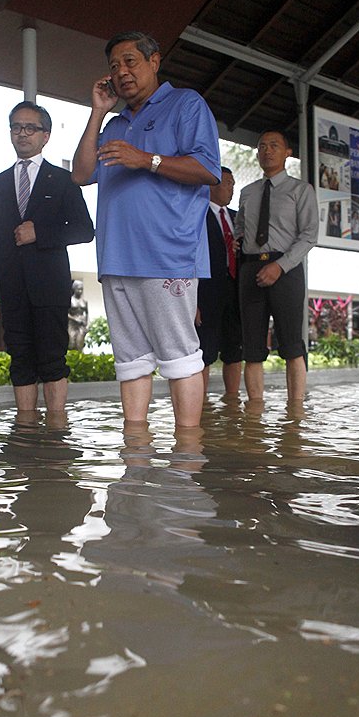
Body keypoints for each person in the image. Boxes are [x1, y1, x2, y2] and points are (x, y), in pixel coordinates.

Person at [71, 31, 220, 428]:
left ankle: (188, 453)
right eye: (114, 66)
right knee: (131, 362)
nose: (121, 72)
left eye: (130, 61)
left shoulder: (186, 104)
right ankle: (135, 456)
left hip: (167, 254)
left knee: (180, 357)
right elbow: (82, 173)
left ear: (155, 61)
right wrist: (98, 113)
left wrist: (148, 159)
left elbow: (208, 170)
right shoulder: (115, 125)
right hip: (117, 257)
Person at [0, 101, 94, 413]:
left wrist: (40, 232)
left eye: (30, 127)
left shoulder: (63, 180)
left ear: (46, 135)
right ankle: (25, 432)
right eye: (16, 126)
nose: (22, 133)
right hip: (11, 286)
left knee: (53, 359)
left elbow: (85, 230)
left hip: (50, 286)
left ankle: (57, 431)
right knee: (20, 358)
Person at [234, 129, 318, 404]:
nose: (267, 151)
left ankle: (296, 413)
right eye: (262, 146)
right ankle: (254, 416)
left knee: (292, 345)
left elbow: (308, 236)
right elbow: (240, 228)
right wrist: (237, 241)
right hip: (250, 271)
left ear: (287, 153)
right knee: (252, 348)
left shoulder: (301, 190)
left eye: (274, 145)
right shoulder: (247, 192)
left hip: (287, 271)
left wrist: (280, 266)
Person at [195, 166, 242, 396]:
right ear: (211, 184)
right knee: (205, 351)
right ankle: (201, 407)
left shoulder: (237, 218)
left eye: (233, 184)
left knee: (235, 349)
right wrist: (192, 302)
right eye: (227, 183)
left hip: (235, 291)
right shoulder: (197, 214)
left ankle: (232, 403)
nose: (231, 188)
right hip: (206, 294)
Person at [67, 279, 89, 350]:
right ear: (74, 289)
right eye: (78, 289)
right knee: (71, 343)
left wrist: (87, 323)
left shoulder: (84, 301)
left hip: (81, 325)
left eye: (81, 289)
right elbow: (66, 313)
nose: (80, 291)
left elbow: (87, 313)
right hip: (72, 324)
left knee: (79, 344)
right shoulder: (70, 300)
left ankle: (80, 359)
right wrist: (74, 319)